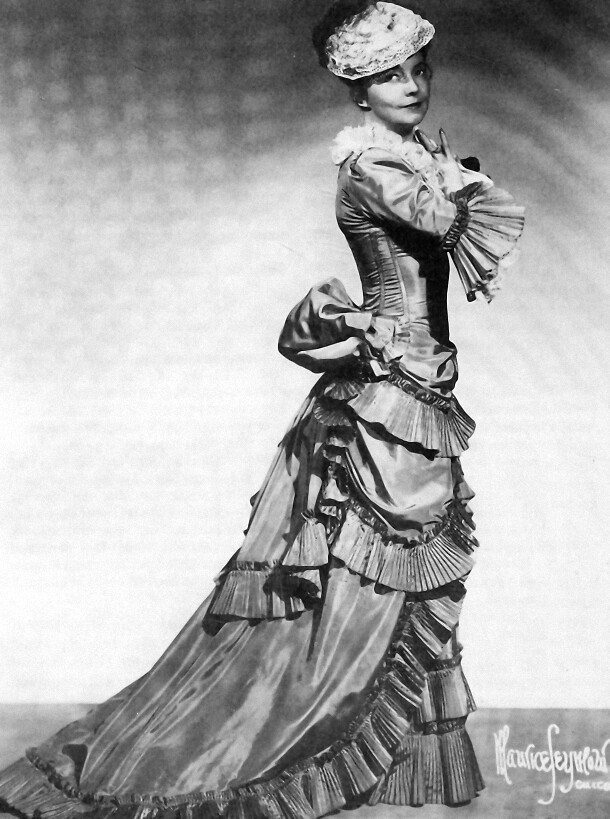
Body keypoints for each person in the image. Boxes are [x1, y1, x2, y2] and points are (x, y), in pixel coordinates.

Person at [0, 2, 524, 817]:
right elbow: (457, 221)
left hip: (420, 385)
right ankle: (288, 728)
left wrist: (450, 174)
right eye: (388, 75)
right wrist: (457, 186)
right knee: (363, 569)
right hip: (385, 395)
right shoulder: (374, 169)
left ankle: (381, 751)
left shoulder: (417, 158)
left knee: (409, 562)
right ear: (358, 91)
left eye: (418, 69)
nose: (411, 85)